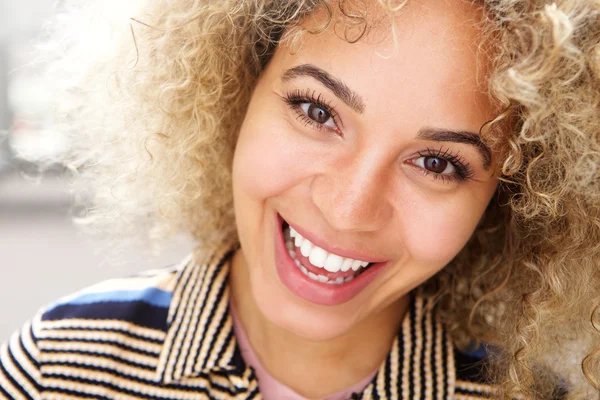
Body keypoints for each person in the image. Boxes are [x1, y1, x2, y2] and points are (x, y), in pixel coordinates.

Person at [1, 0, 600, 398]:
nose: (348, 209)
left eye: (437, 163)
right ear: (236, 88)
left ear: (513, 199)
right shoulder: (58, 366)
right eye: (317, 111)